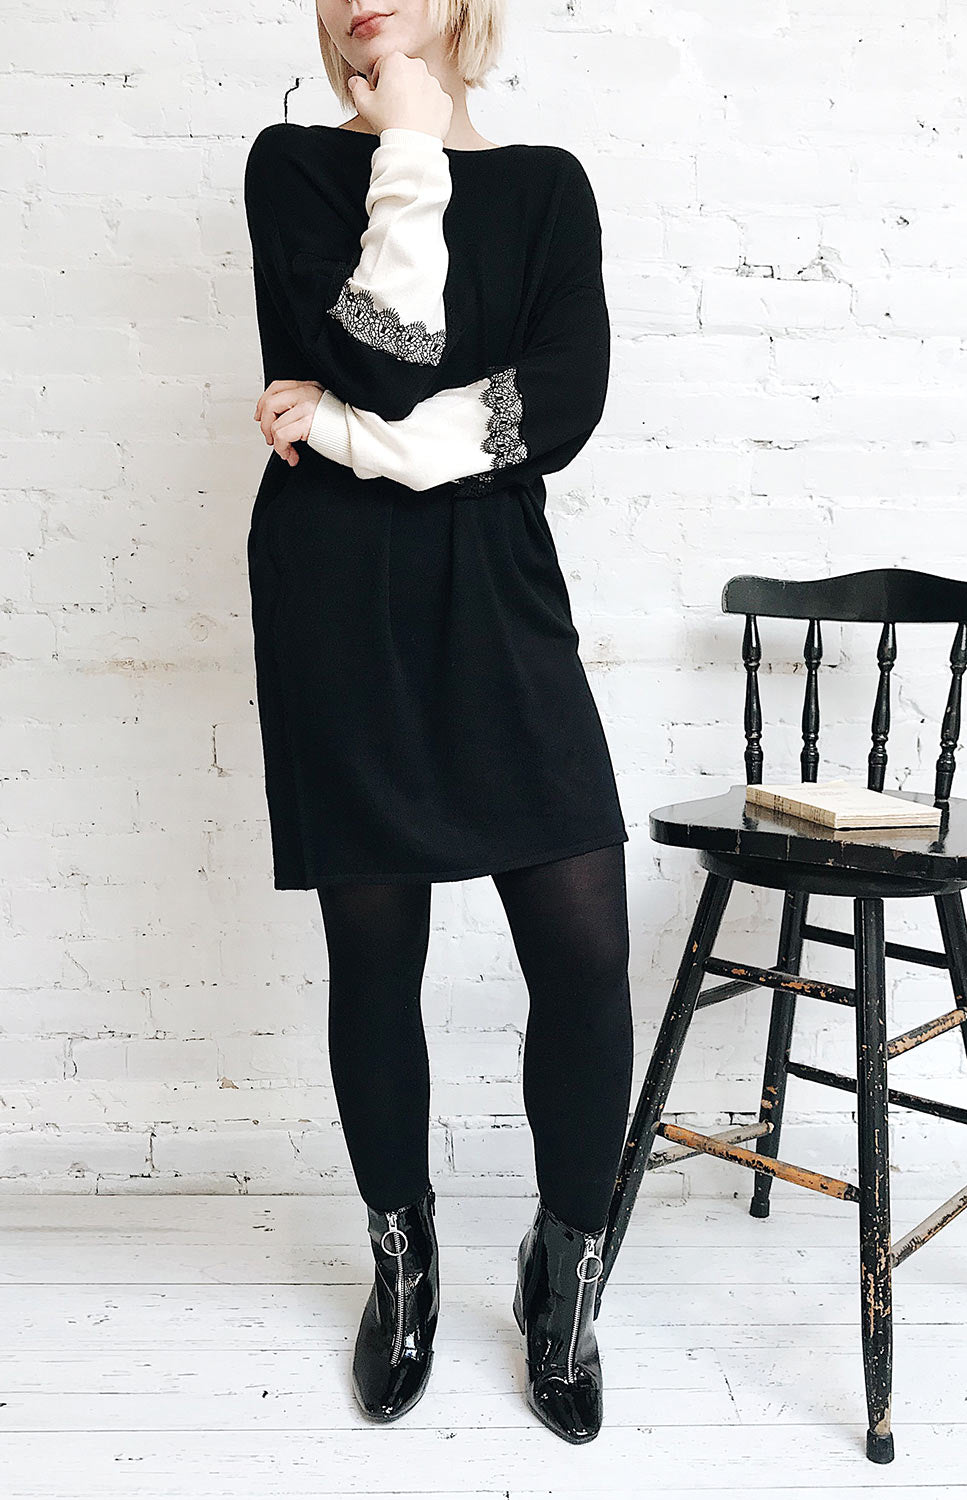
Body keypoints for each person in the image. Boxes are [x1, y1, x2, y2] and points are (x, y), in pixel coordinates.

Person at [243, 0, 633, 1444]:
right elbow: (397, 357)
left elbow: (558, 409)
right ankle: (403, 1264)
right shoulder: (294, 167)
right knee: (375, 957)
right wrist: (404, 149)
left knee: (585, 952)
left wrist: (347, 433)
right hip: (337, 597)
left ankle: (564, 1271)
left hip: (497, 590)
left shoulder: (547, 186)